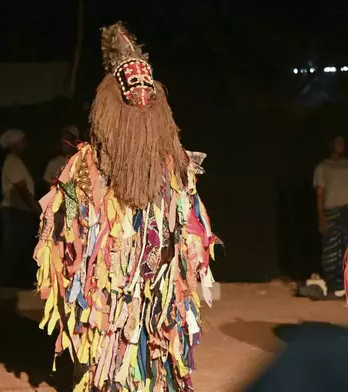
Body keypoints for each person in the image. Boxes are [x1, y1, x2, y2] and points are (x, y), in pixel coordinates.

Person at [33, 22, 220, 391]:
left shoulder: (173, 163)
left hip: (157, 276)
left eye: (147, 94)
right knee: (110, 337)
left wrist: (187, 256)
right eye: (131, 94)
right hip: (108, 283)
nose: (141, 103)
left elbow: (187, 220)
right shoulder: (86, 165)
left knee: (156, 334)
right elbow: (64, 230)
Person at [302, 136, 348, 300]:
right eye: (338, 142)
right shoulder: (323, 167)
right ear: (331, 145)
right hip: (332, 210)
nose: (341, 145)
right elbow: (320, 193)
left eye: (343, 142)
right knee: (332, 250)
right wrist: (321, 217)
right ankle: (335, 286)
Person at [0, 129, 41, 300]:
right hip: (16, 211)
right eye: (22, 141)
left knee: (21, 250)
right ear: (15, 144)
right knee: (10, 251)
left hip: (19, 211)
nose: (25, 144)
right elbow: (21, 189)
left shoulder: (16, 162)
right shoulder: (13, 162)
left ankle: (20, 287)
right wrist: (37, 209)